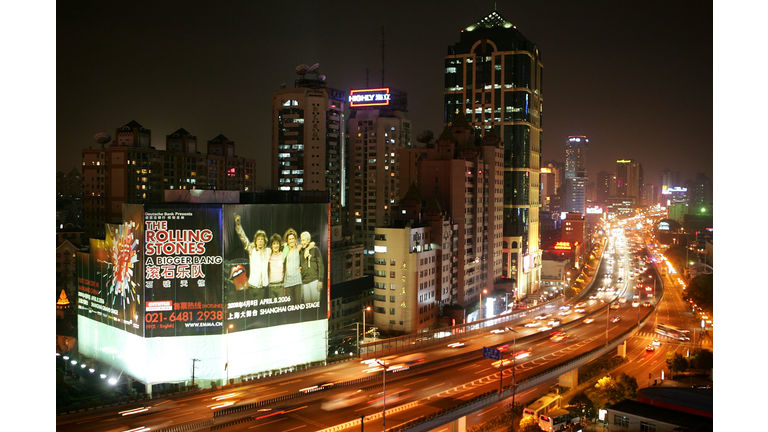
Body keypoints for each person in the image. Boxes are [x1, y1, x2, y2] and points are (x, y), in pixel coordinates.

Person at [234, 213, 269, 295]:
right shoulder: (252, 250)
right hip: (252, 285)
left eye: (262, 239)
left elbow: (279, 247)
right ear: (255, 241)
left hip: (262, 287)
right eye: (258, 239)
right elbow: (244, 239)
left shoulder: (268, 251)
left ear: (264, 241)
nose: (260, 241)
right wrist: (238, 225)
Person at [299, 231, 324, 305]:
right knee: (307, 305)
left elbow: (320, 265)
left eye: (303, 240)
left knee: (315, 304)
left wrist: (320, 280)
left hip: (314, 281)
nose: (302, 242)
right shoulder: (300, 252)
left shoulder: (315, 249)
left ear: (308, 240)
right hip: (305, 283)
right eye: (301, 240)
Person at [282, 228, 302, 305]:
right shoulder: (285, 250)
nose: (291, 240)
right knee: (290, 305)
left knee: (298, 304)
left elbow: (310, 244)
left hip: (297, 281)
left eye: (293, 238)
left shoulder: (298, 248)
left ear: (295, 239)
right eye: (289, 239)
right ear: (287, 240)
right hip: (288, 282)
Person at [267, 233, 285, 300]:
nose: (276, 246)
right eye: (274, 244)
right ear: (271, 245)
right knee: (272, 307)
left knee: (281, 307)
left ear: (280, 244)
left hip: (280, 285)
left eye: (277, 243)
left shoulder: (283, 254)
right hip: (271, 286)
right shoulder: (269, 255)